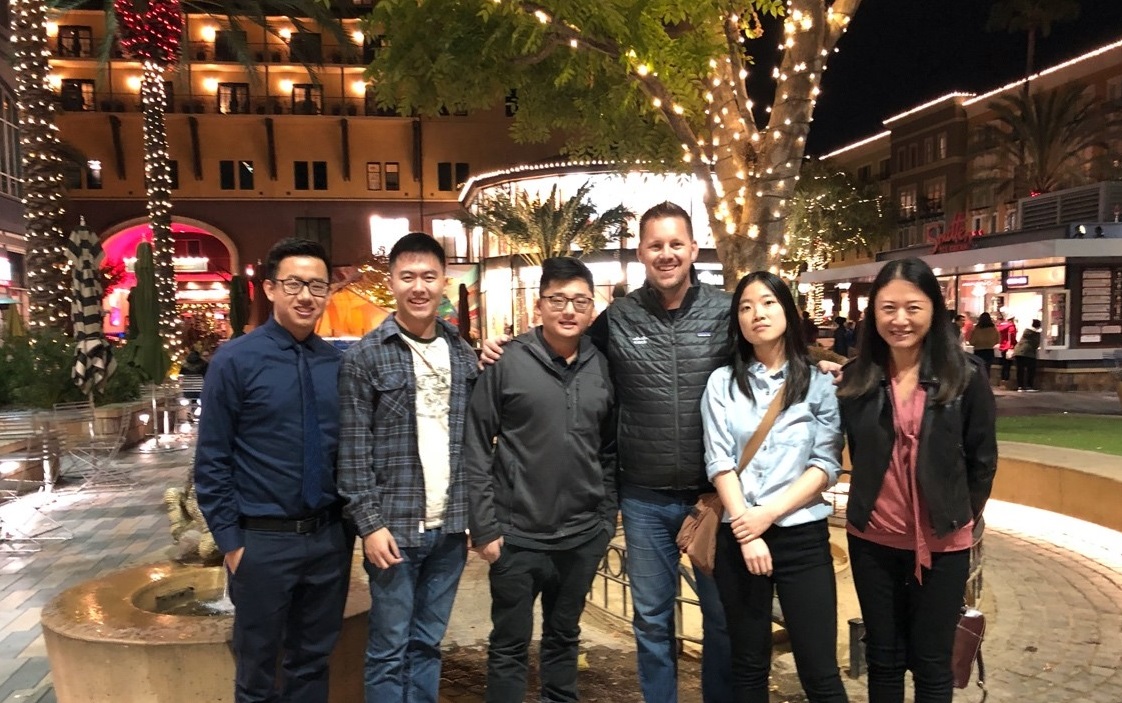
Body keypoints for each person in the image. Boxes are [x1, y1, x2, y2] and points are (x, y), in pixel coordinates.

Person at [482, 201, 734, 703]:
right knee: (653, 623)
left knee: (722, 623)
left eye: (675, 244)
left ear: (692, 248)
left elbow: (774, 352)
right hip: (642, 499)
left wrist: (820, 369)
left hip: (713, 497)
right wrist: (501, 347)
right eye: (655, 245)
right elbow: (560, 343)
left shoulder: (726, 311)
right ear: (641, 251)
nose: (666, 254)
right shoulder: (616, 318)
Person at [194, 238, 352, 703]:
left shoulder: (336, 364)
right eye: (294, 284)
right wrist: (231, 542)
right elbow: (212, 460)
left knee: (312, 663)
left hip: (327, 541)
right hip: (262, 542)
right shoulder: (234, 361)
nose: (306, 296)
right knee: (257, 670)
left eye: (317, 286)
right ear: (270, 289)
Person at [837, 257, 997, 703]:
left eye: (912, 307)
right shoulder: (856, 379)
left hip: (943, 545)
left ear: (934, 309)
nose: (900, 319)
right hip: (872, 541)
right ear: (874, 314)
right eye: (888, 308)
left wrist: (955, 515)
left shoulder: (965, 377)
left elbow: (983, 461)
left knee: (932, 663)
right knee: (883, 659)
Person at [464, 257, 617, 703]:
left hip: (581, 537)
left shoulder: (603, 367)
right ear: (539, 306)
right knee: (509, 646)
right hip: (517, 538)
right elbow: (475, 444)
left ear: (592, 309)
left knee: (563, 639)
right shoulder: (506, 362)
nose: (569, 310)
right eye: (558, 300)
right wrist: (485, 526)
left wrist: (605, 519)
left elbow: (609, 451)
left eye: (580, 301)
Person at [336, 232, 480, 703]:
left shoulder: (462, 353)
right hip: (394, 529)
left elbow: (476, 441)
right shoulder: (366, 355)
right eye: (408, 277)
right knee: (388, 648)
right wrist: (369, 525)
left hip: (451, 529)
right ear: (392, 283)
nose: (419, 287)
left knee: (428, 643)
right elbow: (353, 451)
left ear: (444, 281)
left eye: (429, 276)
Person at [701, 271, 848, 703]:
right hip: (739, 537)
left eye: (767, 302)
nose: (757, 314)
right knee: (748, 667)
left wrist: (767, 515)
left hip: (801, 537)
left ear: (787, 309)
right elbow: (720, 461)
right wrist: (748, 529)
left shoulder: (819, 382)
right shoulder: (722, 384)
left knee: (820, 669)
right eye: (745, 307)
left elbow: (825, 462)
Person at [967, 312, 999, 380]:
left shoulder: (977, 329)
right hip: (989, 350)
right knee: (987, 369)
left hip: (979, 351)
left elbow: (972, 341)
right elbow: (997, 340)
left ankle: (979, 383)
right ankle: (987, 382)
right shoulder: (993, 329)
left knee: (979, 369)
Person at [1014, 319, 1042, 392]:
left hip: (1018, 352)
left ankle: (1020, 387)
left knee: (1020, 370)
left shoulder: (1026, 332)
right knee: (1031, 369)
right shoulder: (1036, 334)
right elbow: (1036, 344)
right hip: (1028, 353)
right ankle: (1029, 386)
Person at [996, 312, 1017, 385]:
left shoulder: (1000, 326)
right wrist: (1014, 344)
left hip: (1002, 346)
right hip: (1009, 347)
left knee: (1004, 364)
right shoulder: (1011, 326)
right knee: (1008, 365)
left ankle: (1003, 379)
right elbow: (1012, 336)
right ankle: (1006, 380)